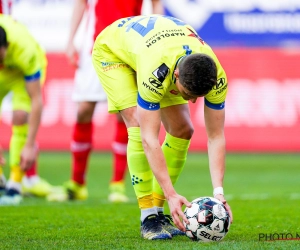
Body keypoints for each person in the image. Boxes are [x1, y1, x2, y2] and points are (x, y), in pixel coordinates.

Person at [92, 15, 233, 240]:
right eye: (188, 95)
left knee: (183, 129)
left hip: (155, 45)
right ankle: (149, 216)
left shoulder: (217, 77)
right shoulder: (156, 72)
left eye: (199, 97)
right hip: (113, 51)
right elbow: (149, 139)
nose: (193, 101)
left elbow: (216, 136)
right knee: (138, 125)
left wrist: (219, 192)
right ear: (176, 75)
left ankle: (161, 213)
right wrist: (171, 193)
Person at [47, 0, 164, 203]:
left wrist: (156, 40)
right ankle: (77, 183)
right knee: (83, 110)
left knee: (125, 115)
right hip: (94, 47)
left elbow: (156, 5)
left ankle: (117, 184)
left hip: (128, 48)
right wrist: (70, 40)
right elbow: (81, 4)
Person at [0, 0, 52, 198]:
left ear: (8, 46)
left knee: (20, 116)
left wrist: (30, 145)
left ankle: (15, 180)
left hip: (21, 72)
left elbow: (36, 100)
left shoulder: (25, 50)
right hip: (4, 74)